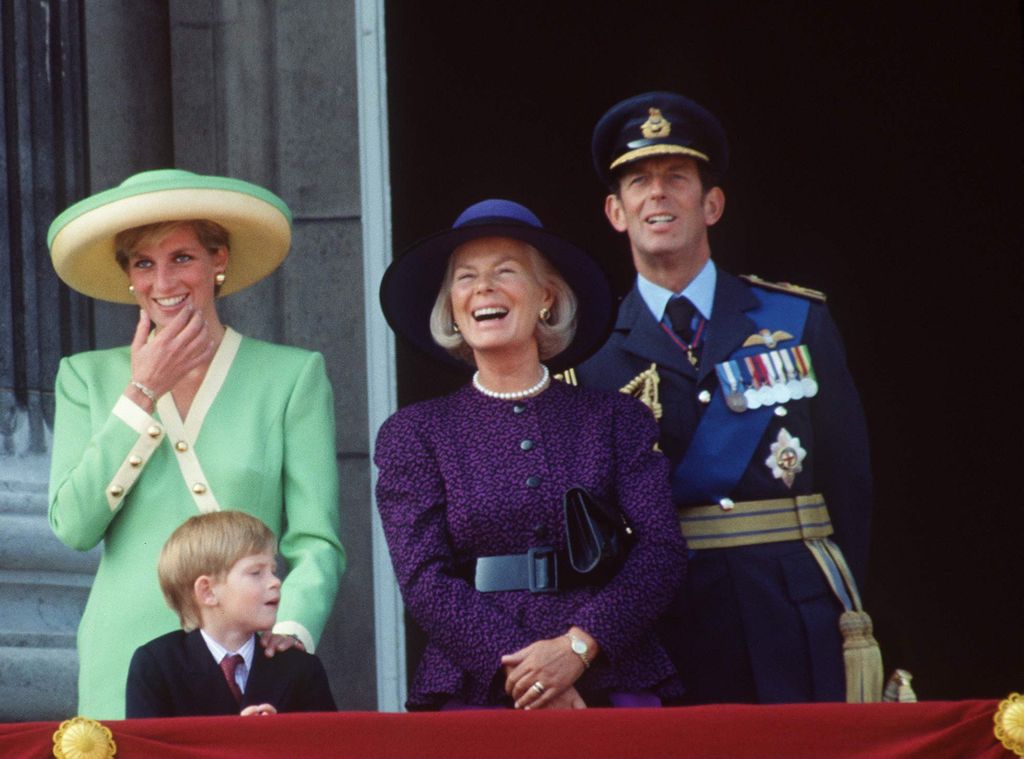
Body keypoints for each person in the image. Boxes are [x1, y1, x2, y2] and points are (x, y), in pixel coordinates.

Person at [573, 92, 877, 704]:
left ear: (711, 203)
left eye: (676, 178)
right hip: (664, 627)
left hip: (794, 613)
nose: (657, 194)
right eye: (638, 182)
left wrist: (843, 606)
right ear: (615, 211)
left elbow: (850, 484)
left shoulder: (796, 320)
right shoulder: (587, 354)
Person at [47, 169, 346, 719]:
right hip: (125, 654)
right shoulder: (85, 377)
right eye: (143, 262)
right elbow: (72, 526)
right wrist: (142, 393)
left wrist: (291, 627)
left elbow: (317, 539)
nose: (163, 280)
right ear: (128, 278)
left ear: (219, 261)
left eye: (182, 257)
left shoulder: (290, 376)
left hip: (250, 658)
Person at [375, 198, 687, 710]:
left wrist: (579, 648)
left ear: (546, 296)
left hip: (609, 670)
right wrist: (532, 674)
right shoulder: (415, 434)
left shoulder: (615, 419)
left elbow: (662, 552)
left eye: (506, 271)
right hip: (479, 683)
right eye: (466, 277)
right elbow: (423, 580)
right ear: (451, 305)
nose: (483, 288)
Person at [126, 511, 337, 717]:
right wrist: (237, 737)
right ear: (207, 592)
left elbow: (331, 748)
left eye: (273, 570)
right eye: (256, 573)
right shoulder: (157, 665)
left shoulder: (300, 668)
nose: (275, 582)